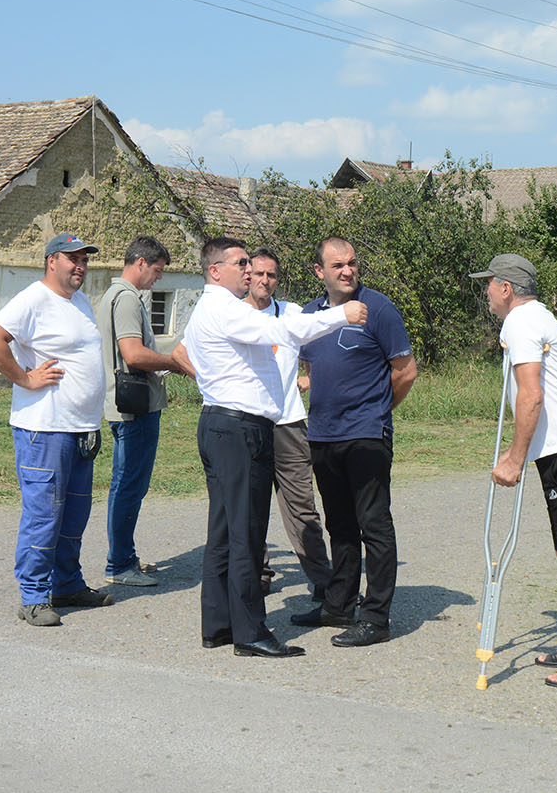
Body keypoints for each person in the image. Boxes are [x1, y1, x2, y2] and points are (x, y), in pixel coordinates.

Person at [173, 237, 366, 658]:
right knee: (245, 532)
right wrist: (340, 315)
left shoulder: (211, 308)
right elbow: (278, 330)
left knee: (224, 530)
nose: (248, 271)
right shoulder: (224, 308)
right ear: (214, 271)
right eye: (241, 264)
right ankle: (250, 632)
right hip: (238, 427)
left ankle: (219, 624)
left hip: (225, 423)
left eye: (251, 264)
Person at [473, 253, 557, 688]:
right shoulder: (535, 316)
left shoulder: (520, 322)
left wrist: (514, 458)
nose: (486, 292)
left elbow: (530, 395)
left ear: (506, 288)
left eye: (490, 284)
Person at [0, 234, 112, 627]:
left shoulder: (81, 302)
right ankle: (33, 597)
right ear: (52, 261)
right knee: (44, 516)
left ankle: (66, 584)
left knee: (74, 515)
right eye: (73, 258)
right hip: (44, 430)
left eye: (85, 259)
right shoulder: (33, 299)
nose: (80, 266)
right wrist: (24, 378)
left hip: (79, 428)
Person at [289, 236, 417, 648]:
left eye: (352, 263)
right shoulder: (309, 315)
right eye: (338, 265)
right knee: (340, 525)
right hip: (323, 435)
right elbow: (315, 366)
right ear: (319, 272)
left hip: (366, 435)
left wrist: (378, 410)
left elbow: (406, 370)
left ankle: (376, 617)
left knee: (373, 524)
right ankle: (338, 605)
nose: (347, 271)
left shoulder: (377, 308)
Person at [245, 248, 333, 600]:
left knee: (302, 506)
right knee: (250, 507)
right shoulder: (234, 314)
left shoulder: (291, 312)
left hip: (289, 423)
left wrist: (312, 378)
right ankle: (257, 573)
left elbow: (325, 339)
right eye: (259, 274)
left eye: (272, 275)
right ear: (247, 275)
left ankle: (323, 580)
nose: (266, 281)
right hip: (249, 423)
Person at [99, 236, 180, 588]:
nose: (157, 279)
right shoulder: (128, 299)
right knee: (129, 486)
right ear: (142, 263)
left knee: (127, 484)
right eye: (157, 271)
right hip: (135, 407)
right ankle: (119, 563)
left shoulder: (115, 295)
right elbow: (133, 355)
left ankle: (124, 557)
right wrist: (174, 363)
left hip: (128, 406)